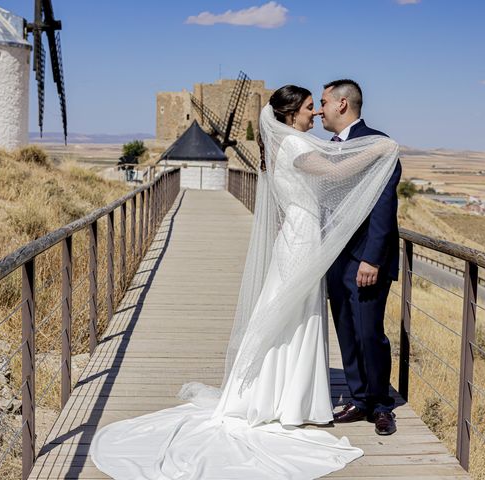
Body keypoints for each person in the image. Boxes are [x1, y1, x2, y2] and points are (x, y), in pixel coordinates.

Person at [90, 85, 399, 479]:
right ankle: (285, 399)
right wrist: (383, 149)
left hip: (301, 238)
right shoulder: (294, 147)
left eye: (317, 106)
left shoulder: (288, 145)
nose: (315, 115)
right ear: (290, 115)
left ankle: (293, 397)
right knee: (292, 317)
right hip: (302, 239)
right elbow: (337, 170)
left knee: (293, 317)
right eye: (309, 108)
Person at [317, 79, 402, 435]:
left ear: (341, 104)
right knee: (346, 331)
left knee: (370, 333)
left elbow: (384, 205)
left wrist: (372, 258)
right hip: (334, 256)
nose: (319, 110)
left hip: (366, 257)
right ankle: (358, 397)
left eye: (322, 102)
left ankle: (381, 405)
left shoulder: (379, 144)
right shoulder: (326, 147)